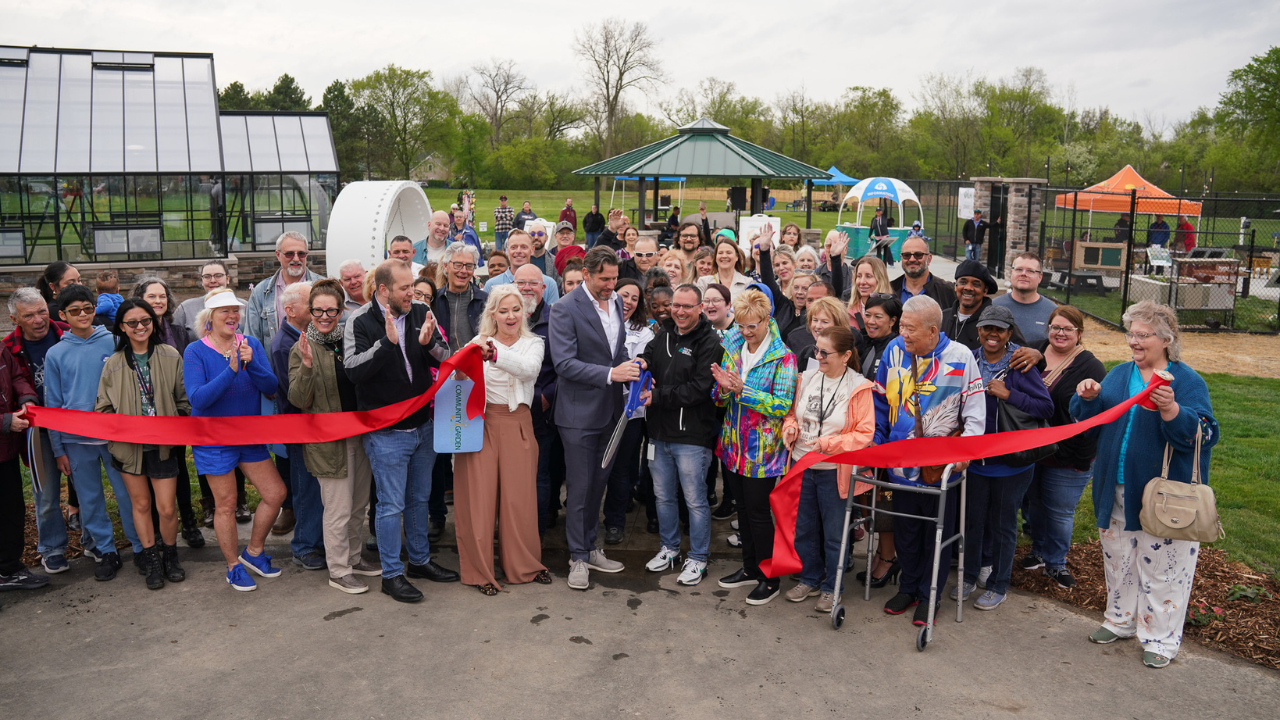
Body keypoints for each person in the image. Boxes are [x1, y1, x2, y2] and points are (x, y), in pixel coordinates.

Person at [1070, 300, 1217, 669]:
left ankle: (1160, 639)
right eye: (1130, 334)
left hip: (1164, 497)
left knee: (1164, 569)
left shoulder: (1186, 381)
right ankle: (1119, 620)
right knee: (1118, 559)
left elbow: (1205, 434)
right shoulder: (1120, 374)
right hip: (1113, 488)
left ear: (1165, 339)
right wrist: (1086, 397)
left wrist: (1172, 410)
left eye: (1142, 335)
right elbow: (1090, 416)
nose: (1134, 342)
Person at [345, 259, 459, 603]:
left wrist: (427, 344)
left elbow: (446, 355)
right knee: (391, 506)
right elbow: (352, 371)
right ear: (383, 290)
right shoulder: (360, 321)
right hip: (386, 433)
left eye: (413, 286)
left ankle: (420, 561)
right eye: (404, 288)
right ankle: (392, 573)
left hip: (423, 426)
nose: (413, 293)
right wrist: (386, 344)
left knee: (419, 499)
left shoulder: (423, 310)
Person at [873, 295, 984, 627]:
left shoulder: (961, 357)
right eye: (901, 326)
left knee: (935, 533)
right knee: (905, 532)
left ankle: (930, 594)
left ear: (933, 330)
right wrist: (875, 446)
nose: (902, 333)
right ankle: (908, 587)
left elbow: (976, 416)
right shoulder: (893, 351)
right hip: (900, 466)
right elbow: (880, 402)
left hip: (939, 472)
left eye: (910, 328)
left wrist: (964, 454)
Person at [184, 289, 287, 592]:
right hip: (213, 439)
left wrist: (251, 363)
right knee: (226, 504)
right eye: (224, 311)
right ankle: (232, 567)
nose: (232, 317)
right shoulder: (195, 351)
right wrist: (230, 371)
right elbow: (198, 398)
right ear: (210, 318)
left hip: (249, 436)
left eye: (235, 311)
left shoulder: (250, 344)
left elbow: (271, 387)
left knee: (275, 493)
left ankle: (253, 552)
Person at [952, 305, 1053, 611]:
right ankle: (968, 576)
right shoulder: (967, 359)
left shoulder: (1020, 364)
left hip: (1011, 462)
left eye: (999, 329)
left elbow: (1045, 408)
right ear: (978, 330)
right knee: (972, 522)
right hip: (975, 460)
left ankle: (999, 584)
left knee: (1003, 525)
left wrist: (1010, 395)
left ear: (1009, 334)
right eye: (986, 328)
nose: (992, 335)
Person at [454, 286, 553, 595]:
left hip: (517, 423)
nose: (510, 316)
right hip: (480, 425)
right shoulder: (475, 343)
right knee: (478, 502)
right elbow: (460, 382)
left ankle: (524, 565)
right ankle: (479, 573)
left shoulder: (534, 343)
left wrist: (494, 353)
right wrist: (460, 369)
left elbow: (529, 371)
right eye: (503, 310)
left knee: (518, 501)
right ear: (492, 314)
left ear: (524, 313)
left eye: (516, 310)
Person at [550, 247, 637, 590]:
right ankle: (577, 558)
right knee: (581, 489)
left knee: (597, 487)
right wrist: (611, 374)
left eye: (614, 278)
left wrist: (635, 366)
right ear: (585, 274)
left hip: (611, 412)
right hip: (578, 416)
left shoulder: (615, 301)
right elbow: (564, 363)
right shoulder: (564, 309)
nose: (611, 285)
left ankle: (589, 546)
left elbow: (616, 350)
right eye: (605, 279)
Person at [286, 279, 380, 594]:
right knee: (338, 509)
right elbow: (298, 400)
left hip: (359, 436)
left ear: (342, 310)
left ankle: (354, 559)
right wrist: (308, 367)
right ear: (309, 312)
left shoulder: (350, 341)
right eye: (317, 311)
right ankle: (338, 570)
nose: (324, 316)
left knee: (358, 505)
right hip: (328, 443)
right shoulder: (300, 348)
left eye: (331, 310)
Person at [46, 285, 145, 581]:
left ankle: (140, 546)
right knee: (90, 499)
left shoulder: (115, 341)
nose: (83, 315)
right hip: (76, 441)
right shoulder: (56, 353)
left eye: (88, 309)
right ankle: (105, 550)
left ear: (95, 308)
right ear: (63, 315)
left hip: (116, 436)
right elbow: (52, 403)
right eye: (74, 311)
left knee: (129, 494)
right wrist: (58, 448)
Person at [94, 299, 192, 590]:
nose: (140, 327)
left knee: (166, 508)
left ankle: (171, 555)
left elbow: (184, 399)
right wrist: (122, 426)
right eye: (132, 323)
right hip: (129, 449)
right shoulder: (112, 364)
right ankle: (150, 558)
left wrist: (175, 421)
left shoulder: (170, 355)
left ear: (153, 322)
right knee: (141, 504)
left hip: (163, 446)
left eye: (145, 321)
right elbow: (102, 408)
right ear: (122, 327)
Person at [781, 325, 875, 612]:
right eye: (816, 350)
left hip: (833, 470)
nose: (818, 356)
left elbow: (864, 433)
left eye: (825, 352)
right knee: (804, 529)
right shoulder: (806, 378)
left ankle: (832, 588)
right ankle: (809, 578)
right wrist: (790, 428)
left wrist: (828, 444)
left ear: (846, 356)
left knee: (834, 533)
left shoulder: (857, 387)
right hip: (801, 464)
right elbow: (791, 414)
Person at [713, 286, 797, 606]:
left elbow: (780, 405)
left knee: (760, 514)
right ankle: (750, 568)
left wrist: (742, 389)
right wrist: (722, 390)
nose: (747, 332)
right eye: (741, 325)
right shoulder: (732, 342)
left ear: (767, 320)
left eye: (753, 325)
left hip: (763, 451)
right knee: (744, 511)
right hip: (733, 445)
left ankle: (769, 577)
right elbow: (719, 395)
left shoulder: (782, 355)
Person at [637, 284, 723, 585]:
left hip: (691, 437)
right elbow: (648, 355)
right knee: (663, 497)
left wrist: (657, 396)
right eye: (676, 305)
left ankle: (698, 558)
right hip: (658, 434)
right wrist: (641, 363)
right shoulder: (663, 333)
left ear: (700, 308)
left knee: (695, 501)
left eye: (688, 306)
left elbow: (700, 390)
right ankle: (670, 548)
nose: (680, 312)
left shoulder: (710, 342)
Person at [1020, 305, 1106, 589]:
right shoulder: (1031, 351)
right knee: (1034, 506)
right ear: (1048, 328)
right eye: (1056, 327)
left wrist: (1082, 459)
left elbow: (1093, 416)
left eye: (1068, 329)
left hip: (1068, 453)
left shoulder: (1090, 366)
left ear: (1079, 334)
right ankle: (1038, 551)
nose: (1060, 333)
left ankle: (1056, 564)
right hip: (1030, 448)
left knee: (1059, 511)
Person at [6, 288, 76, 573]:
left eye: (42, 312)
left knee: (85, 489)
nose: (38, 320)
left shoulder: (68, 333)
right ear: (15, 319)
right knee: (45, 494)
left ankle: (97, 542)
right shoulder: (8, 348)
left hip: (76, 427)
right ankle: (52, 548)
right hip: (38, 433)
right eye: (29, 315)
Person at [132, 278, 204, 549]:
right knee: (150, 470)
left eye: (162, 296)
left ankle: (188, 521)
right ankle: (157, 530)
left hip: (176, 409)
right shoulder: (134, 331)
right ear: (140, 299)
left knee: (178, 468)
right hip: (146, 414)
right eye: (152, 296)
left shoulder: (177, 330)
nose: (158, 301)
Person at [266, 280, 328, 570]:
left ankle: (315, 541)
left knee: (316, 489)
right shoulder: (283, 344)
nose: (316, 307)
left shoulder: (306, 335)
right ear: (290, 310)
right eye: (310, 302)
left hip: (311, 427)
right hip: (300, 429)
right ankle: (304, 546)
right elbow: (291, 394)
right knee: (306, 489)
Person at [853, 293, 902, 587]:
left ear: (893, 321)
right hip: (859, 430)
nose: (871, 321)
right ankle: (881, 554)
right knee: (865, 497)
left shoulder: (896, 350)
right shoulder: (861, 340)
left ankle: (888, 558)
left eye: (878, 317)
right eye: (868, 315)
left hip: (883, 433)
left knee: (882, 499)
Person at [600, 278, 653, 545]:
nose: (629, 301)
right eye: (624, 295)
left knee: (621, 470)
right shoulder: (598, 321)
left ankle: (615, 522)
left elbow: (639, 369)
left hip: (629, 413)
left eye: (634, 298)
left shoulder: (644, 333)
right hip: (597, 407)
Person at [515, 265, 564, 536]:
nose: (526, 288)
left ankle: (537, 532)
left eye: (532, 283)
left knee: (539, 474)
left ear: (544, 288)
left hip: (541, 410)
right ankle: (514, 530)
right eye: (520, 282)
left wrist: (547, 396)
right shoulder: (506, 315)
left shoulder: (556, 318)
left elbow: (565, 364)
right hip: (509, 409)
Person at [0, 309, 43, 593]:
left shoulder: (1, 350)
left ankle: (8, 569)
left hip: (5, 451)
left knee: (11, 509)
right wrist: (4, 421)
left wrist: (26, 398)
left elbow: (16, 375)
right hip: (5, 433)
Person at [245, 231, 326, 348]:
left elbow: (339, 325)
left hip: (315, 363)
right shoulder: (261, 292)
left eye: (301, 254)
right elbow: (252, 340)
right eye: (289, 254)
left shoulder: (323, 287)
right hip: (275, 364)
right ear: (278, 255)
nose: (296, 259)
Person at [993, 252, 1057, 345]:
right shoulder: (993, 307)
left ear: (1040, 277)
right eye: (1019, 269)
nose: (1023, 274)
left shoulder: (1052, 312)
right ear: (1012, 273)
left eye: (1030, 271)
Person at [483, 229, 560, 304]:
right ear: (508, 251)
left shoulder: (549, 284)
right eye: (514, 247)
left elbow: (553, 315)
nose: (518, 251)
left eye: (524, 247)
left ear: (532, 250)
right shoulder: (492, 285)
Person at [890, 236, 958, 309]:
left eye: (918, 255)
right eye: (907, 255)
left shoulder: (948, 292)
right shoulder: (889, 290)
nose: (912, 259)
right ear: (901, 258)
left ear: (929, 259)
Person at [174, 261, 233, 334]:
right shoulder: (186, 309)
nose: (213, 281)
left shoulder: (244, 307)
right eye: (207, 276)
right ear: (202, 281)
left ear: (227, 279)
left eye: (218, 276)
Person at [846, 256, 892, 333]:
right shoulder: (847, 312)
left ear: (880, 279)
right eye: (859, 276)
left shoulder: (892, 310)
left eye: (868, 276)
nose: (862, 282)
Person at [526, 222, 561, 287]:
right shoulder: (521, 260)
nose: (536, 237)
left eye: (540, 234)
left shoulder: (554, 262)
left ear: (546, 238)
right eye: (532, 234)